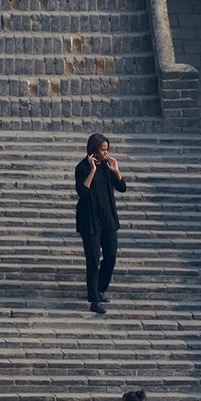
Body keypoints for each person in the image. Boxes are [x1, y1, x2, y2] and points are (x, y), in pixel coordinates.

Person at [75, 133, 126, 314]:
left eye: (107, 150)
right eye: (103, 150)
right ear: (93, 150)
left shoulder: (107, 167)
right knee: (93, 259)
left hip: (108, 218)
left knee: (110, 256)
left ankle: (100, 289)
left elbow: (122, 188)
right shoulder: (82, 167)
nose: (106, 153)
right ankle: (94, 300)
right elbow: (82, 192)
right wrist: (92, 171)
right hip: (89, 220)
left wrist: (116, 170)